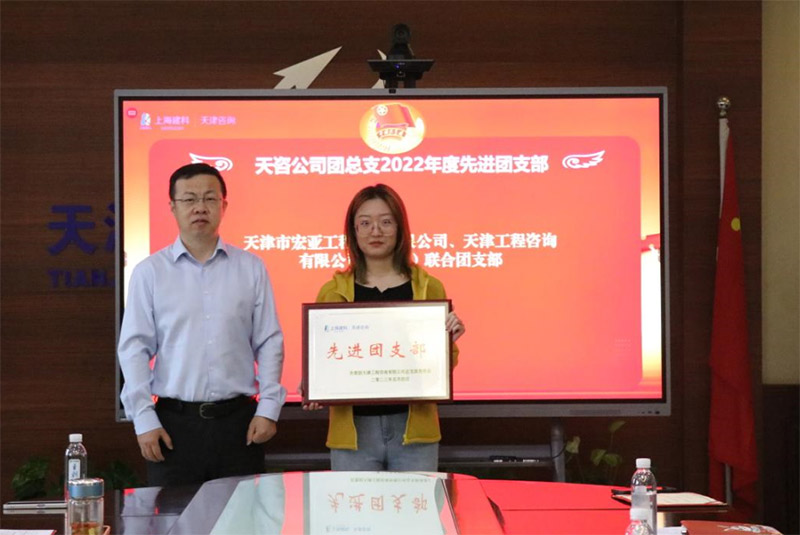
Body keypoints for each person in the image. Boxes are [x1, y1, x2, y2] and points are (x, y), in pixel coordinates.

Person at [118, 162, 286, 486]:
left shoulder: (251, 268)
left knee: (241, 513)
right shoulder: (149, 273)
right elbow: (134, 349)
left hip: (239, 424)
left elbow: (269, 342)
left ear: (224, 205)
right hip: (173, 426)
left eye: (210, 198)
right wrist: (143, 418)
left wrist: (268, 408)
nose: (200, 208)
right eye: (189, 199)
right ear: (172, 207)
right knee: (175, 514)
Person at [305, 183, 465, 471]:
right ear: (353, 231)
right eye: (365, 223)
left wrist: (447, 342)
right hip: (353, 434)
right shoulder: (332, 292)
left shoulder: (427, 287)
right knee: (353, 504)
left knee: (417, 503)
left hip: (414, 431)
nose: (375, 231)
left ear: (400, 228)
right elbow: (323, 360)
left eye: (386, 222)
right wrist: (314, 383)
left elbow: (442, 367)